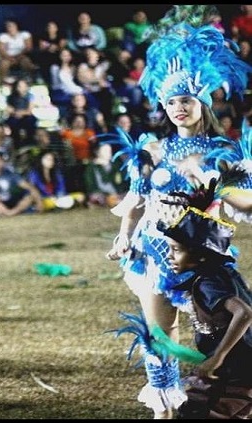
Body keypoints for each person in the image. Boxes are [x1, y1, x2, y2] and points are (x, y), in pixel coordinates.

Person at [104, 5, 252, 419]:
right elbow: (136, 200)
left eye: (185, 100)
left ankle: (228, 394)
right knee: (159, 336)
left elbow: (246, 202)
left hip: (200, 258)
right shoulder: (152, 148)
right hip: (153, 253)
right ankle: (165, 410)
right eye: (170, 102)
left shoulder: (224, 154)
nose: (177, 108)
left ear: (202, 103)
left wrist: (218, 184)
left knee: (221, 333)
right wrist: (124, 236)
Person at [155, 183, 252, 419]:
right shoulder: (220, 273)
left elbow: (245, 313)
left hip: (237, 368)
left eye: (176, 250)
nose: (170, 256)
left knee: (198, 413)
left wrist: (217, 357)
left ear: (200, 254)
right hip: (238, 366)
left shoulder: (209, 282)